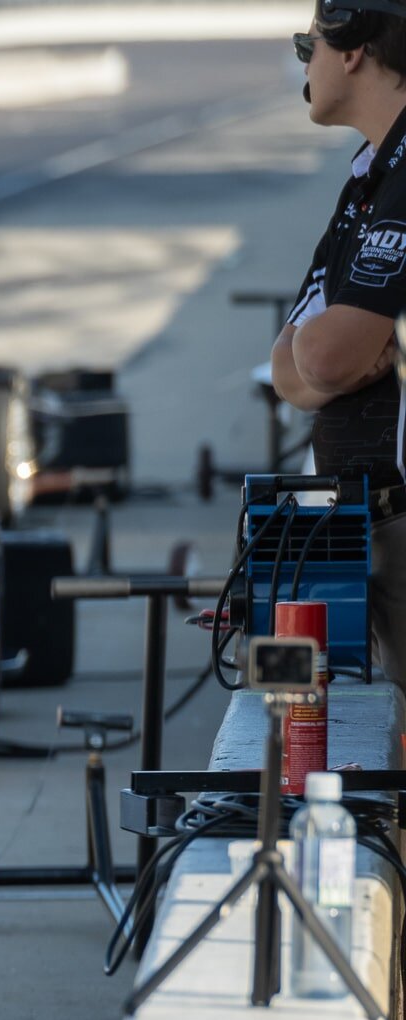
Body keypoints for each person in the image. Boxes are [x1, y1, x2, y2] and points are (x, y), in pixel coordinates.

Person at [276, 0, 406, 668]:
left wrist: (327, 357)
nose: (308, 68)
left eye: (310, 49)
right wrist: (339, 357)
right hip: (378, 525)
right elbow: (290, 367)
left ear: (353, 49)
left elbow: (322, 358)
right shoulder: (368, 175)